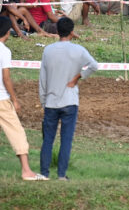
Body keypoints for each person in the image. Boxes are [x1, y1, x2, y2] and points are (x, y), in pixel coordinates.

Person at [38, 17, 98, 180]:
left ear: (57, 31)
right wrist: (78, 77)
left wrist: (43, 101)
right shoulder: (78, 50)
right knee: (66, 140)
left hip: (51, 101)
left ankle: (44, 173)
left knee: (48, 139)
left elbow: (42, 79)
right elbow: (94, 65)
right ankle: (62, 175)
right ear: (72, 32)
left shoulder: (48, 50)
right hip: (70, 101)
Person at [0, 15, 44, 180]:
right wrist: (15, 99)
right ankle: (26, 171)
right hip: (2, 99)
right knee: (17, 133)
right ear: (7, 32)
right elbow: (6, 79)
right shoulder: (4, 51)